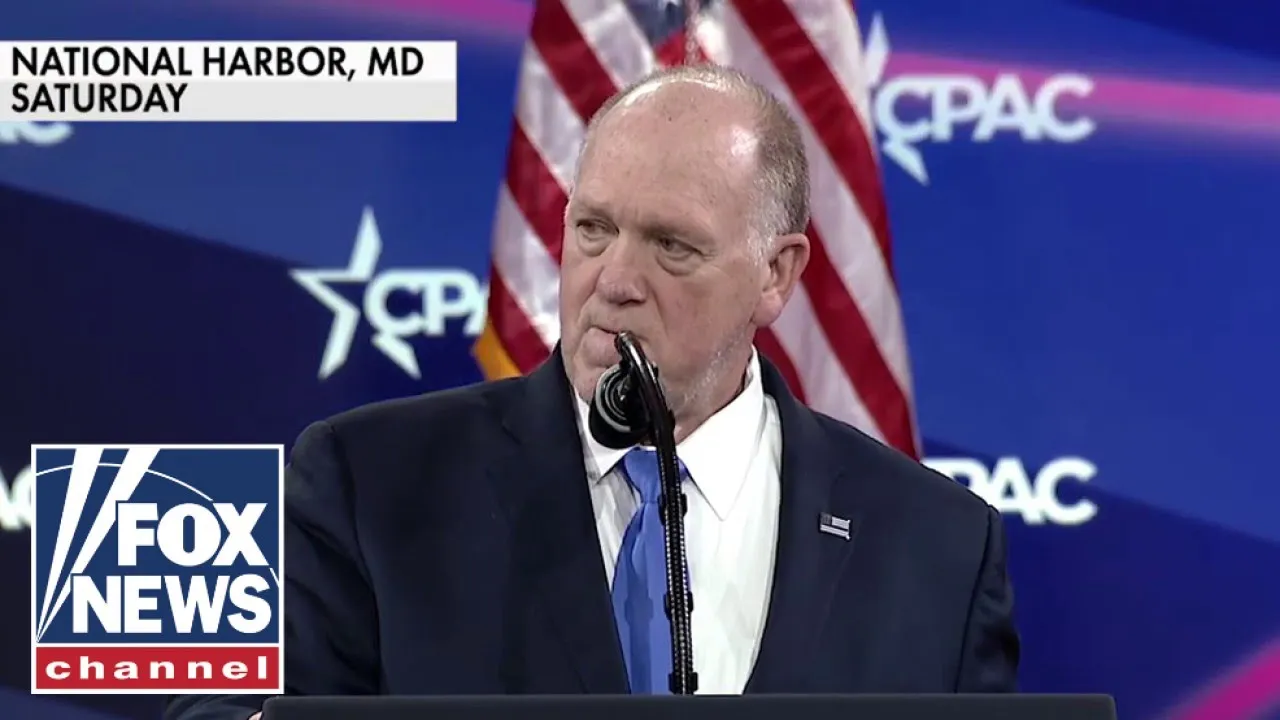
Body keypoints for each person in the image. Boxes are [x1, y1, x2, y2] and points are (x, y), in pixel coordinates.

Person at [166, 63, 1019, 720]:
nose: (613, 281)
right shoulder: (367, 482)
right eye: (593, 229)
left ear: (776, 274)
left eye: (672, 246)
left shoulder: (937, 545)